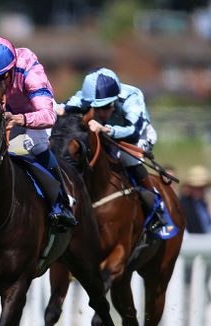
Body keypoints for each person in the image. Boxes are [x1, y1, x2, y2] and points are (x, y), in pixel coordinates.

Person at [0, 35, 77, 230]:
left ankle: (60, 202)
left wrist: (21, 119)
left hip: (33, 112)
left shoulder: (30, 71)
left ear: (8, 74)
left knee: (35, 145)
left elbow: (48, 116)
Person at [63, 67, 175, 238]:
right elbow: (64, 107)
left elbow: (134, 131)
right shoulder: (84, 96)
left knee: (126, 158)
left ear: (115, 101)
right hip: (105, 133)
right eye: (94, 108)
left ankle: (157, 207)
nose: (98, 113)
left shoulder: (132, 97)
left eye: (104, 107)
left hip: (136, 136)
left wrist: (107, 129)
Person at [180, 165, 211, 234]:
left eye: (201, 187)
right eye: (195, 187)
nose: (198, 190)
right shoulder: (183, 204)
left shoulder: (205, 202)